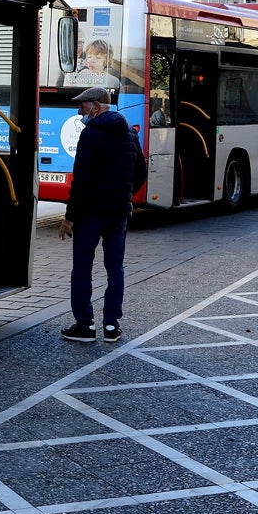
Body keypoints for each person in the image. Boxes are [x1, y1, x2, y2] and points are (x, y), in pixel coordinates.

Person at [58, 86, 146, 343]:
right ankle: (111, 326)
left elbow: (82, 180)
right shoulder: (130, 133)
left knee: (82, 268)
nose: (79, 111)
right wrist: (124, 194)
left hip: (91, 213)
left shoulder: (91, 134)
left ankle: (84, 325)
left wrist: (70, 217)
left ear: (96, 106)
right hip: (119, 212)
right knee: (115, 268)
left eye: (83, 106)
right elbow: (140, 171)